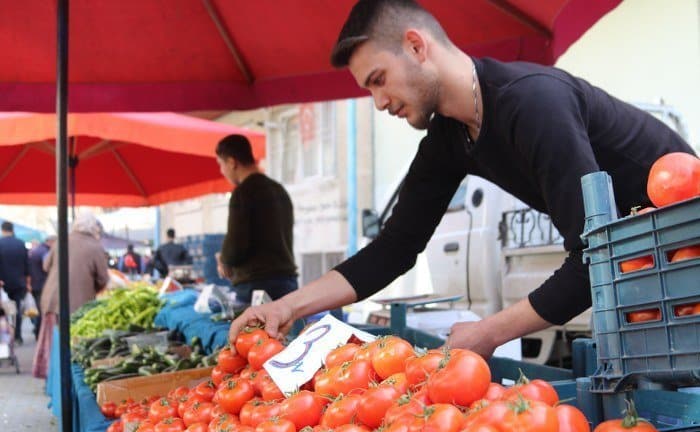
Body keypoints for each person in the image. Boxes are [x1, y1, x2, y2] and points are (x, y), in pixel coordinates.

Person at [227, 0, 695, 355]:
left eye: (378, 79)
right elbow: (393, 249)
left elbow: (593, 257)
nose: (379, 102)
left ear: (415, 46)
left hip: (682, 256)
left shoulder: (532, 103)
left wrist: (485, 333)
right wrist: (287, 306)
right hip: (640, 278)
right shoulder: (449, 139)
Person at [215, 134, 298, 303]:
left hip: (257, 285)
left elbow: (236, 245)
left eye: (220, 164)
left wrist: (223, 259)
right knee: (289, 329)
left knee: (258, 330)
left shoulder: (243, 192)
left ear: (232, 162)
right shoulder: (278, 189)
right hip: (287, 282)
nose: (221, 171)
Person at [33, 212, 110, 378]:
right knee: (72, 341)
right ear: (94, 228)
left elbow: (46, 266)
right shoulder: (95, 246)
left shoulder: (61, 240)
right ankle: (66, 377)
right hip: (78, 302)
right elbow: (103, 278)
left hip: (52, 298)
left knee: (52, 341)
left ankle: (51, 376)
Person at [0, 221, 31, 344]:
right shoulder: (20, 244)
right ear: (13, 230)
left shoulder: (0, 244)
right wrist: (28, 282)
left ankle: (5, 336)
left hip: (3, 283)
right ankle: (17, 335)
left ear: (3, 230)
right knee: (16, 310)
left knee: (3, 311)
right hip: (19, 282)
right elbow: (27, 265)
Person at [28, 235, 56, 340]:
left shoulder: (36, 251)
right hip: (42, 284)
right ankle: (39, 332)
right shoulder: (45, 252)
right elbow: (46, 266)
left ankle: (37, 330)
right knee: (42, 310)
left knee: (38, 309)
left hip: (35, 284)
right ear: (51, 241)